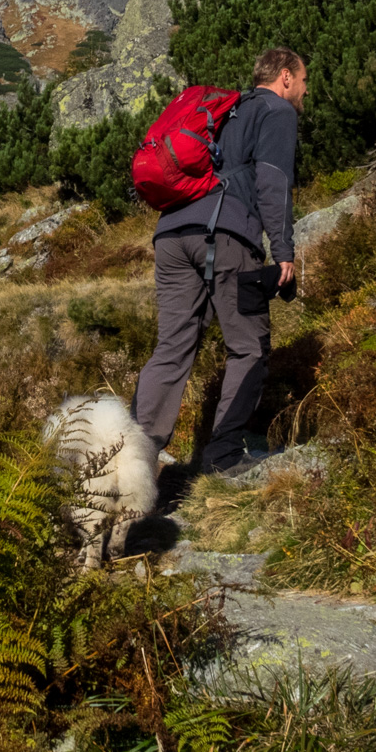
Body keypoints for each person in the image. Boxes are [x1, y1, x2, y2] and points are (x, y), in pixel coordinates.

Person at [131, 47, 303, 473]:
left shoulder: (224, 110)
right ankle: (223, 456)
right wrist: (282, 250)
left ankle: (130, 463)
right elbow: (273, 180)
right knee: (248, 347)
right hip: (224, 235)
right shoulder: (276, 111)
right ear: (285, 77)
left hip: (171, 233)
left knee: (171, 349)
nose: (303, 90)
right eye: (302, 81)